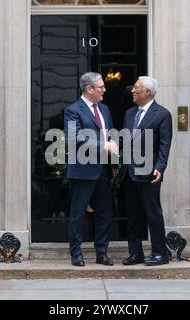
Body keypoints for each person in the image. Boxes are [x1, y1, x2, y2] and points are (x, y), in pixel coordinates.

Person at [64, 72, 118, 267]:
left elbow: (109, 135)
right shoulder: (73, 110)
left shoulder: (104, 109)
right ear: (89, 89)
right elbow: (75, 137)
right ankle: (76, 254)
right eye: (100, 87)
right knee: (78, 214)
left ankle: (101, 253)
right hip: (82, 170)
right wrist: (103, 146)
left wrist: (113, 162)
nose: (104, 89)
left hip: (103, 170)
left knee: (104, 213)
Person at [121, 76, 173, 266]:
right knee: (132, 215)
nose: (132, 91)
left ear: (147, 92)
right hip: (129, 173)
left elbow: (164, 145)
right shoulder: (128, 113)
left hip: (150, 173)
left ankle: (160, 254)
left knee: (153, 214)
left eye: (136, 88)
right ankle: (136, 253)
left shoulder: (162, 114)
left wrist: (160, 168)